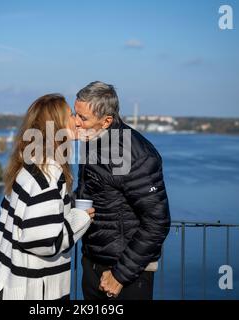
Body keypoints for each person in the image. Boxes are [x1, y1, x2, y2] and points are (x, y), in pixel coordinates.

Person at [0, 94, 95, 300]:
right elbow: (42, 241)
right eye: (70, 115)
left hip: (9, 282)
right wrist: (80, 219)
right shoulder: (49, 172)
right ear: (56, 126)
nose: (77, 120)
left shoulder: (30, 163)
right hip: (31, 291)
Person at [74, 81, 171, 300]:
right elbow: (88, 195)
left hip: (127, 276)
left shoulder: (138, 155)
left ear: (107, 120)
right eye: (75, 115)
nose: (76, 123)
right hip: (92, 265)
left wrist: (120, 275)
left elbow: (158, 222)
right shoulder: (90, 142)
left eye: (83, 118)